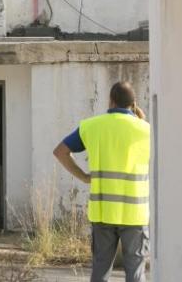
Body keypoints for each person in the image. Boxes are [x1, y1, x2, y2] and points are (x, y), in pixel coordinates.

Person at [53, 81, 150, 282]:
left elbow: (60, 152)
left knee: (101, 269)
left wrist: (83, 176)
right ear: (133, 103)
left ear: (111, 101)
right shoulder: (146, 130)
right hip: (135, 214)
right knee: (135, 272)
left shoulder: (92, 126)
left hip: (103, 211)